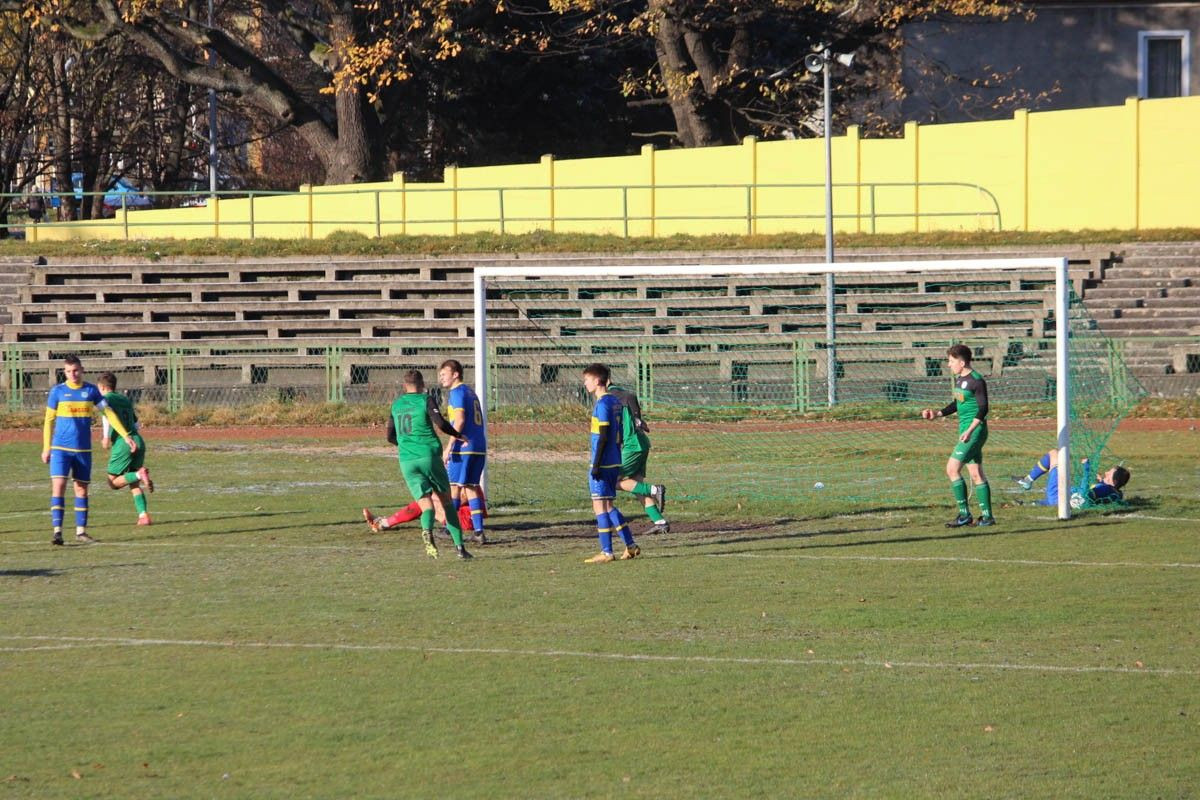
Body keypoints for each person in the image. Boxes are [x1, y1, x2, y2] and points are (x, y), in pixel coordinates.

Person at [369, 369, 473, 560]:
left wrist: (408, 445)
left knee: (426, 505)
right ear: (422, 384)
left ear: (404, 386)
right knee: (447, 503)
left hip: (407, 461)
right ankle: (460, 548)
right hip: (429, 456)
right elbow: (440, 423)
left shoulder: (396, 404)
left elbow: (390, 436)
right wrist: (458, 435)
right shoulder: (426, 399)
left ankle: (427, 531)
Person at [42, 355, 139, 545]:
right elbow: (48, 421)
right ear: (64, 372)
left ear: (82, 369)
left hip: (83, 450)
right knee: (59, 487)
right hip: (60, 449)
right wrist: (47, 448)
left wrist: (125, 435)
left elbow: (108, 412)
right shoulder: (57, 392)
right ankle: (57, 532)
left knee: (81, 489)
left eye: (76, 370)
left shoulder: (91, 390)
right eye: (69, 371)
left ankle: (81, 532)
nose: (73, 374)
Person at [920, 344, 995, 528]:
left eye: (951, 361)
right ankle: (987, 517)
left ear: (962, 362)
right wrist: (937, 413)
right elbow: (956, 404)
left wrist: (969, 431)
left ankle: (964, 515)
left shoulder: (977, 380)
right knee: (976, 474)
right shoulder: (961, 380)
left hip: (974, 432)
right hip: (966, 432)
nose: (948, 365)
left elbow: (983, 408)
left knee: (952, 469)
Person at [582, 363, 639, 563]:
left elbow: (604, 435)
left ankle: (606, 552)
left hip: (603, 462)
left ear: (597, 381)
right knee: (608, 506)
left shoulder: (603, 404)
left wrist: (596, 464)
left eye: (587, 380)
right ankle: (630, 546)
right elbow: (620, 432)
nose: (585, 384)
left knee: (600, 506)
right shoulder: (615, 402)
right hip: (614, 459)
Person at [605, 377, 669, 533]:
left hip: (632, 446)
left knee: (608, 481)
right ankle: (660, 522)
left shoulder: (610, 396)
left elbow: (629, 397)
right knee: (636, 486)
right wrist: (638, 418)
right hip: (640, 443)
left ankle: (654, 489)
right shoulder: (618, 394)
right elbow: (631, 398)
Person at [437, 359, 489, 545]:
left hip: (464, 447)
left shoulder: (457, 392)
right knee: (471, 487)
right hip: (479, 446)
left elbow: (458, 421)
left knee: (454, 487)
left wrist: (449, 446)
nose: (441, 377)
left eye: (444, 374)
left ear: (455, 374)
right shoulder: (470, 392)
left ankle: (450, 528)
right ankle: (478, 531)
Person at [97, 372, 154, 526]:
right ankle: (143, 516)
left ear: (101, 387)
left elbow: (106, 416)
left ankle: (139, 474)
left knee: (113, 482)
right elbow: (136, 424)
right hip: (138, 440)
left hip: (124, 442)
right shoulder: (124, 399)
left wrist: (106, 437)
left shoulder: (105, 399)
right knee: (133, 483)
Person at [1013, 450, 1130, 508]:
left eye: (1109, 473)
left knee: (1055, 454)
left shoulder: (1105, 489)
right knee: (1039, 504)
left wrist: (1086, 469)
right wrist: (1100, 482)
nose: (1106, 472)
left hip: (1059, 495)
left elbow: (1084, 494)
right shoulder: (1114, 492)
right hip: (1060, 501)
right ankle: (1028, 504)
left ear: (1113, 482)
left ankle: (1027, 480)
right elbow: (1103, 494)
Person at [363, 488, 485, 535]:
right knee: (425, 501)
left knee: (425, 502)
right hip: (466, 516)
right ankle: (383, 523)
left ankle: (382, 523)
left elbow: (463, 497)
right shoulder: (460, 469)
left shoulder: (461, 472)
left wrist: (438, 497)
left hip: (466, 519)